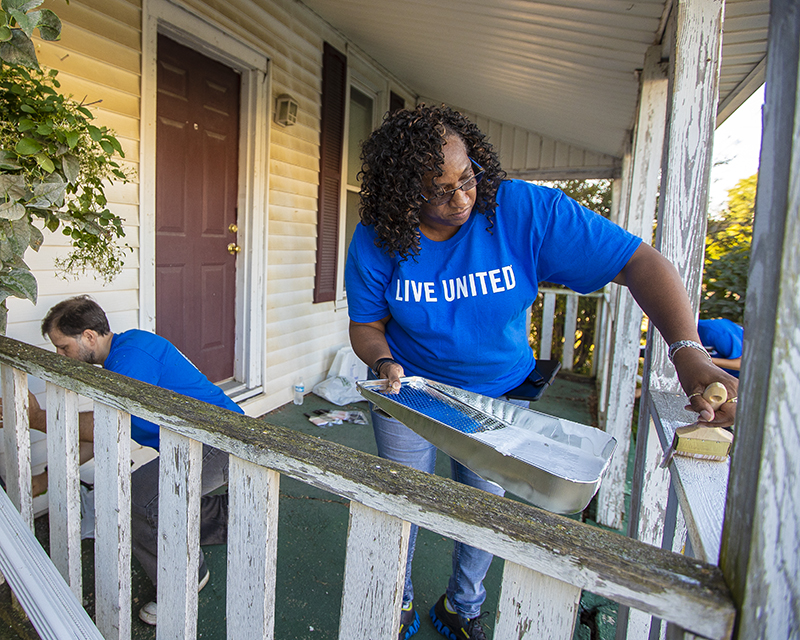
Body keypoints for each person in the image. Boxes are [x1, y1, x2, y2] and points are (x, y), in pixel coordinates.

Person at [344, 105, 738, 640]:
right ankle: (398, 600)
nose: (461, 199)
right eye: (439, 191)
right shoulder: (378, 237)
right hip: (410, 390)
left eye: (468, 178)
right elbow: (366, 325)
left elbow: (638, 262)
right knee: (401, 500)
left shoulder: (523, 210)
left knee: (484, 507)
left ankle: (462, 604)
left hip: (496, 394)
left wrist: (688, 351)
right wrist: (383, 361)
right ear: (402, 195)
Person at [38, 295, 243, 626]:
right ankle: (231, 518)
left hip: (218, 443)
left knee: (139, 498)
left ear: (88, 336)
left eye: (63, 347)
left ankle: (186, 579)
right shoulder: (125, 352)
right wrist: (47, 477)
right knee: (155, 496)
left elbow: (107, 425)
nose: (60, 355)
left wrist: (36, 418)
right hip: (198, 442)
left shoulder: (130, 358)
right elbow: (104, 436)